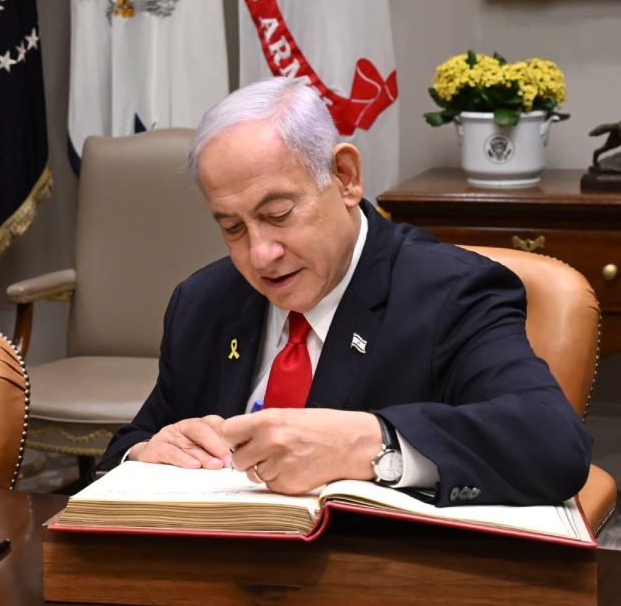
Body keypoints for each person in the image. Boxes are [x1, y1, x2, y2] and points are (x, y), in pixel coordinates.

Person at [99, 77, 590, 506]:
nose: (260, 255)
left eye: (278, 214)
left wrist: (374, 445)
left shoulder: (451, 292)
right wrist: (147, 453)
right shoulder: (204, 301)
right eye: (233, 228)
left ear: (345, 177)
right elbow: (129, 444)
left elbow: (552, 443)